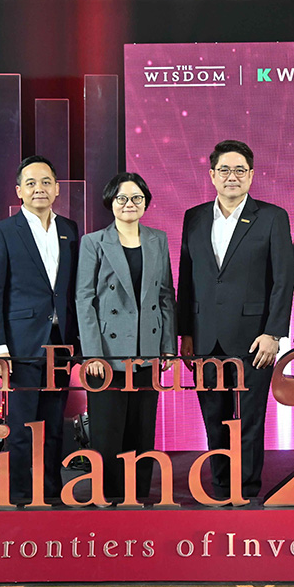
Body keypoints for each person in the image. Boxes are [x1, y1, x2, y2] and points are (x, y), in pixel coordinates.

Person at [177, 139, 293, 500]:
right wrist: (185, 333)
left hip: (254, 338)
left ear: (252, 175)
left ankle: (247, 489)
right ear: (212, 175)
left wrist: (274, 333)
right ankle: (221, 486)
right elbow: (186, 278)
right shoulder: (194, 217)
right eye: (224, 170)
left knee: (250, 419)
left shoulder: (272, 217)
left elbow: (283, 279)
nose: (232, 176)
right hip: (204, 337)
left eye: (240, 170)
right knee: (214, 418)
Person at [0, 155, 80, 503]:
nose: (40, 188)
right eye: (31, 183)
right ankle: (22, 494)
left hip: (60, 344)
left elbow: (72, 289)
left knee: (54, 424)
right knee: (22, 425)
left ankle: (51, 492)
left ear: (57, 188)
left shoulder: (70, 229)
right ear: (19, 190)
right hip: (20, 345)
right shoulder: (3, 232)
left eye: (46, 182)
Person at [76, 172, 176, 503]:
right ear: (111, 203)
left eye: (136, 198)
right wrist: (92, 354)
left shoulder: (158, 239)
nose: (129, 204)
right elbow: (84, 299)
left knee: (142, 429)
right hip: (107, 353)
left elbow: (166, 296)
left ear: (145, 203)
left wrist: (167, 348)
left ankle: (139, 494)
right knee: (107, 431)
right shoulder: (93, 242)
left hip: (147, 349)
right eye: (122, 198)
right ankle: (107, 494)